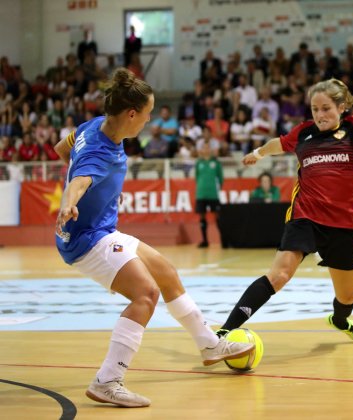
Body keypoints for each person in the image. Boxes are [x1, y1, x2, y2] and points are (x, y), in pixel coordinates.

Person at [54, 68, 253, 408]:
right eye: (146, 116)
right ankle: (107, 380)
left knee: (166, 272)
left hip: (101, 229)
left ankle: (208, 344)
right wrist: (69, 203)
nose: (147, 122)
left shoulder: (92, 126)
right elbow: (80, 180)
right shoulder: (100, 151)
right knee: (146, 294)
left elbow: (63, 148)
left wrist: (96, 193)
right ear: (131, 113)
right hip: (86, 240)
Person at [215, 63, 353, 342]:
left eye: (326, 108)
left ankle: (340, 319)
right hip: (305, 217)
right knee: (279, 274)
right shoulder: (304, 134)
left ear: (341, 107)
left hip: (341, 224)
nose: (320, 115)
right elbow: (279, 143)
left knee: (346, 297)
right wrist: (259, 153)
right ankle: (225, 331)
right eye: (315, 109)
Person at [195, 143, 223, 248]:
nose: (206, 149)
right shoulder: (198, 163)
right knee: (202, 217)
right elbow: (196, 178)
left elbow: (220, 178)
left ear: (210, 150)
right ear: (201, 150)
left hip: (213, 195)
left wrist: (216, 189)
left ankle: (223, 240)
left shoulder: (216, 163)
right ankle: (205, 241)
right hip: (201, 194)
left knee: (218, 217)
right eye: (204, 147)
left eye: (208, 147)